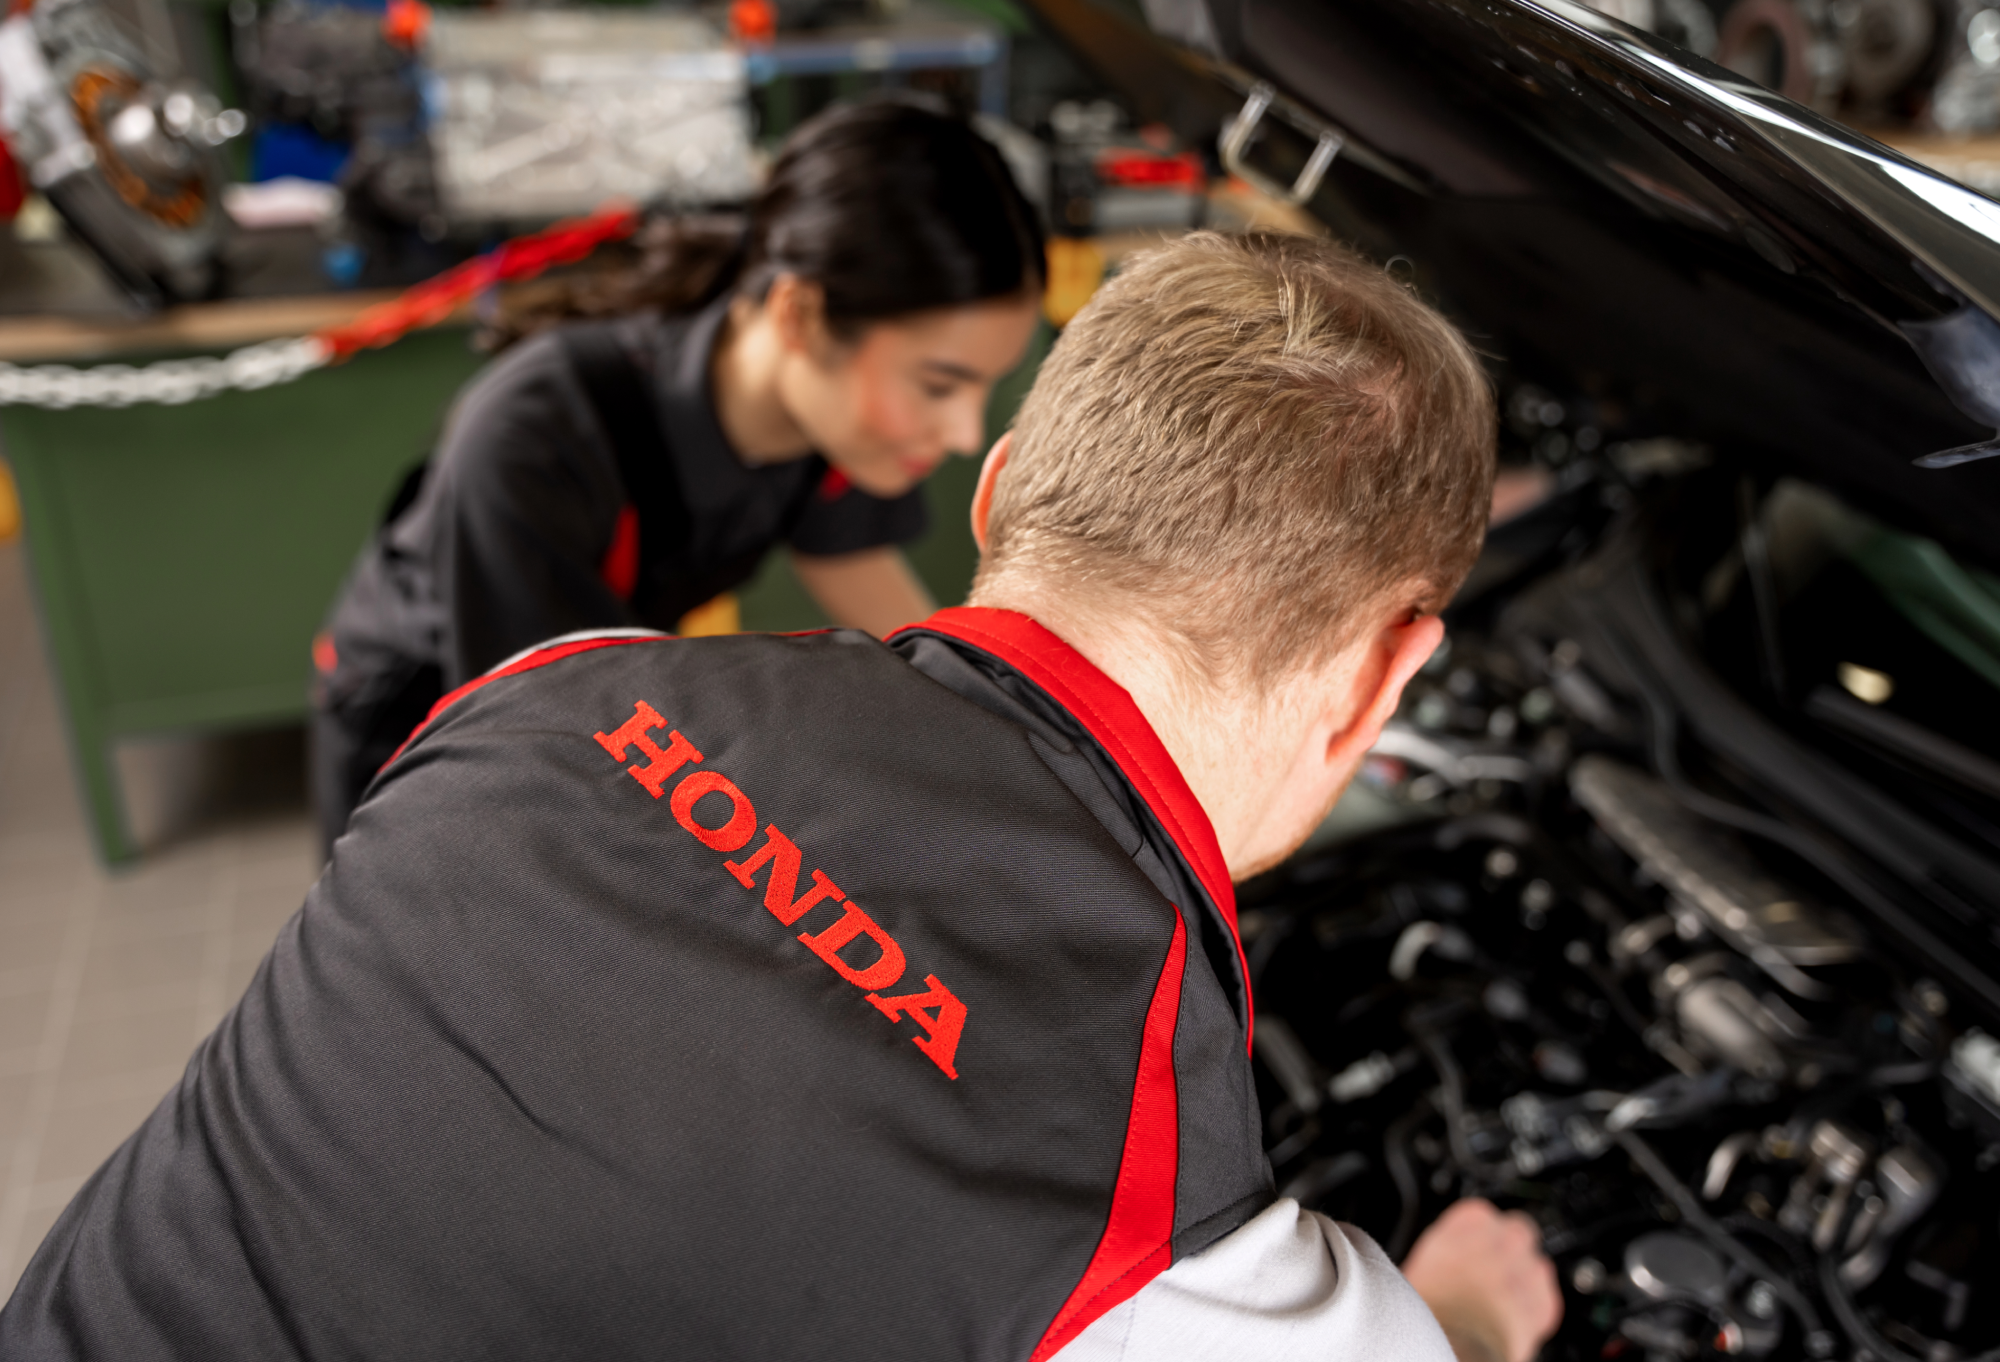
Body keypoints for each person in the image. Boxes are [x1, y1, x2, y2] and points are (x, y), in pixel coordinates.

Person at [0, 232, 1561, 1361]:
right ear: (1388, 675)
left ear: (1000, 486)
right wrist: (1470, 1320)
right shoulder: (1191, 1271)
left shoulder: (559, 690)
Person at [308, 94, 1044, 853]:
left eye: (981, 389)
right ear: (800, 315)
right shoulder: (536, 432)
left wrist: (1015, 764)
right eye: (938, 384)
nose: (963, 434)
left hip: (584, 705)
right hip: (424, 726)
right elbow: (544, 753)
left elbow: (884, 610)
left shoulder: (836, 422)